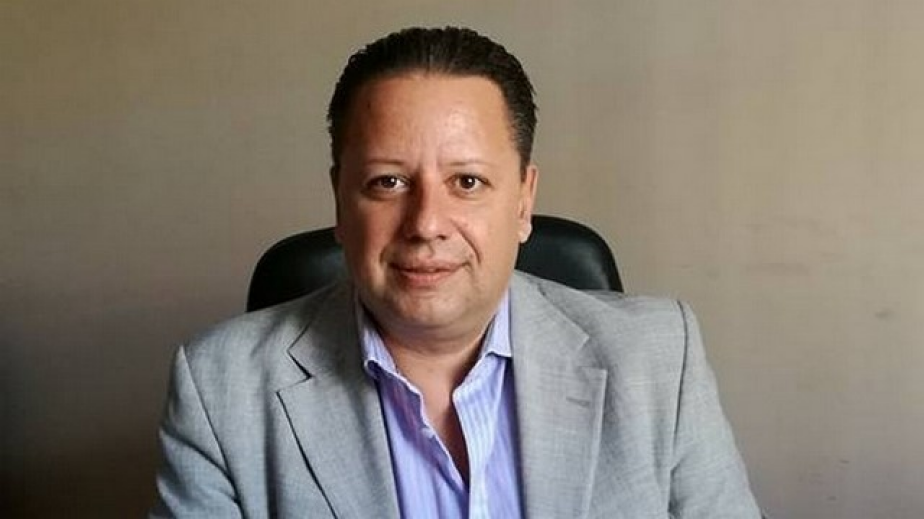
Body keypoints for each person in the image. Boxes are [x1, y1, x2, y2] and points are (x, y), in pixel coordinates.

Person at [151, 26, 761, 518]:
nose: (426, 223)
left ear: (523, 201)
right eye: (388, 182)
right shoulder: (221, 388)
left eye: (467, 181)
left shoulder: (659, 358)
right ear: (340, 200)